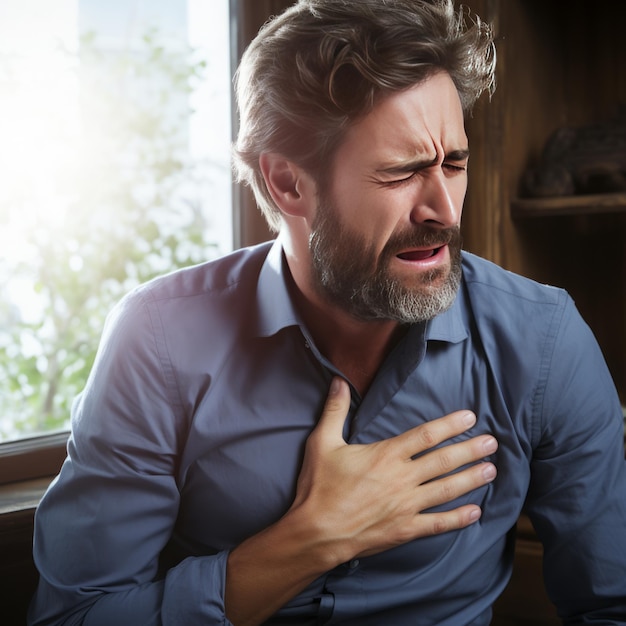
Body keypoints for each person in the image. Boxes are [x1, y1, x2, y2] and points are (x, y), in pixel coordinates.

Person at [29, 0, 626, 624]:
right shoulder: (157, 341)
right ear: (289, 184)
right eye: (401, 174)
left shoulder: (543, 340)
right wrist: (310, 539)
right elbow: (73, 616)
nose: (445, 211)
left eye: (454, 164)